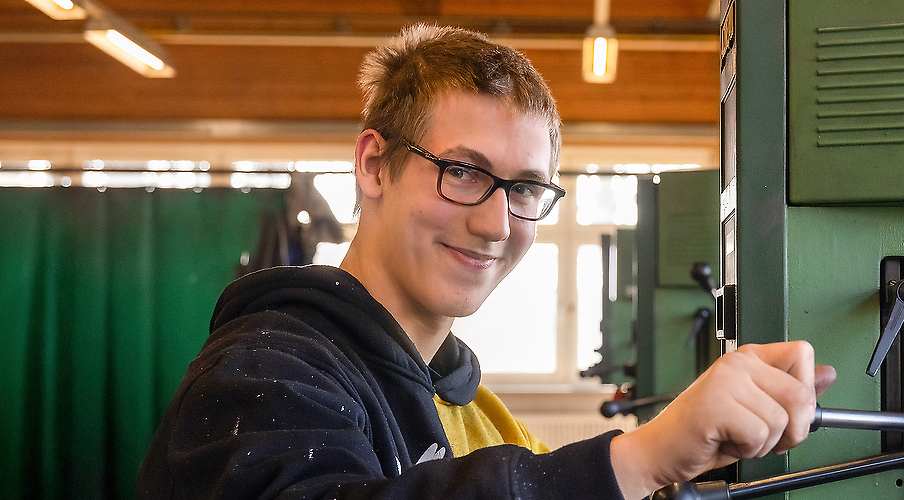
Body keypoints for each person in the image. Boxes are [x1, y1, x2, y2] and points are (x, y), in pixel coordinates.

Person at [137, 24, 832, 500]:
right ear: (375, 164)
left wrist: (690, 465)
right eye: (464, 173)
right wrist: (638, 456)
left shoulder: (473, 406)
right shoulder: (263, 374)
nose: (497, 222)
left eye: (525, 188)